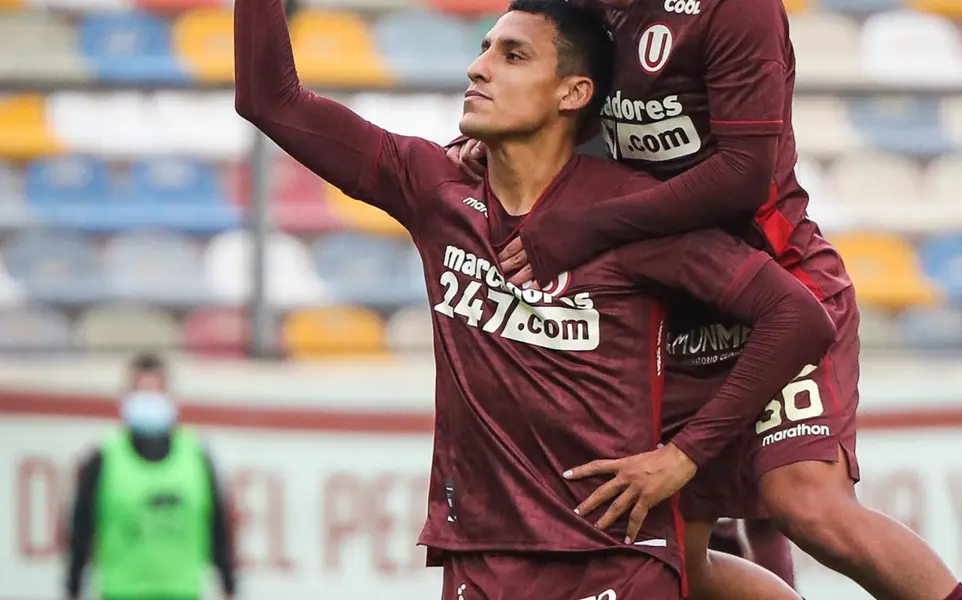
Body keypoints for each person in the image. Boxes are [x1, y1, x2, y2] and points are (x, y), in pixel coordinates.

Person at [234, 0, 836, 597]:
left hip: (613, 556)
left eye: (513, 55)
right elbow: (269, 99)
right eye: (483, 51)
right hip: (480, 555)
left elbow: (797, 316)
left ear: (573, 93)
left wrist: (683, 456)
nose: (479, 69)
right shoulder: (432, 186)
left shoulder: (627, 216)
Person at [447, 0, 962, 599]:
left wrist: (589, 225)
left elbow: (743, 175)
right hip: (671, 311)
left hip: (774, 290)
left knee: (808, 506)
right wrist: (479, 142)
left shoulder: (735, 9)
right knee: (670, 560)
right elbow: (543, 72)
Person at [65, 353, 237, 600]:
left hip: (183, 591)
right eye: (140, 392)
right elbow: (81, 529)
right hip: (122, 591)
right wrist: (73, 588)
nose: (148, 401)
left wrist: (228, 586)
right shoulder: (104, 457)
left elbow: (218, 527)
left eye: (156, 392)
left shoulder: (196, 457)